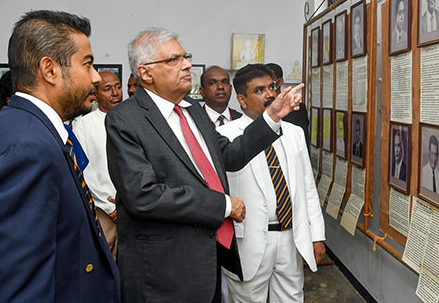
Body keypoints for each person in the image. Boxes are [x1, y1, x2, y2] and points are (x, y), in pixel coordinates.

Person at [105, 28, 303, 303]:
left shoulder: (192, 110)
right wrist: (223, 205)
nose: (186, 64)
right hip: (166, 270)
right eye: (174, 60)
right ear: (146, 73)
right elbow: (144, 196)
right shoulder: (125, 120)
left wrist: (271, 117)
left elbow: (230, 154)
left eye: (185, 57)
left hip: (208, 260)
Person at [0, 10, 120, 302]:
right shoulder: (28, 148)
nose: (95, 77)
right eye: (88, 64)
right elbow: (16, 289)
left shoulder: (24, 128)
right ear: (50, 70)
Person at [217, 64, 326, 303]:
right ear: (242, 100)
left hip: (290, 237)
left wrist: (317, 235)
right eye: (259, 90)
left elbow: (307, 186)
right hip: (250, 240)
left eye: (272, 87)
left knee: (292, 298)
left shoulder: (294, 131)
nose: (269, 94)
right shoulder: (227, 136)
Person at [73, 71, 122, 258]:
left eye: (118, 87)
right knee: (106, 259)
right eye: (107, 89)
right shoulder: (83, 125)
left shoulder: (134, 120)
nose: (115, 93)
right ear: (95, 94)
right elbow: (86, 170)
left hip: (134, 207)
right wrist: (110, 207)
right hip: (103, 209)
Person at [265, 63, 309, 148]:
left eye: (271, 82)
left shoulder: (296, 108)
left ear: (280, 82)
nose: (267, 86)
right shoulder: (260, 107)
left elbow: (302, 143)